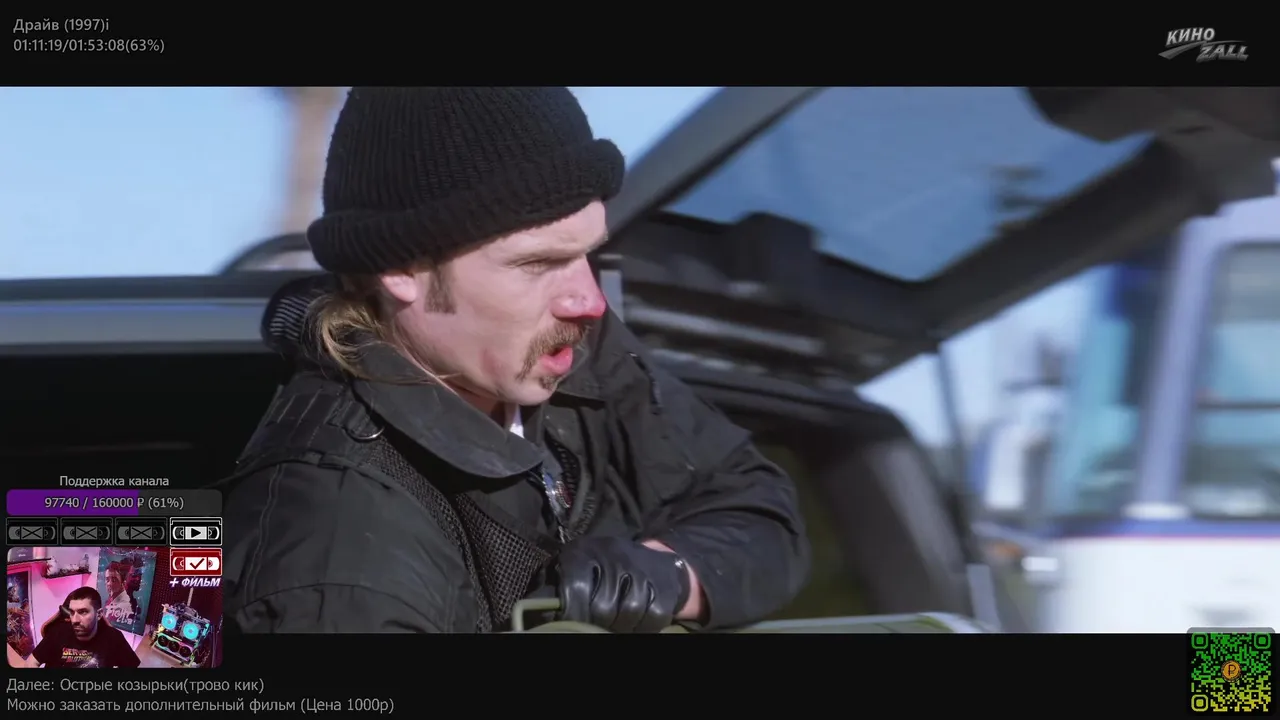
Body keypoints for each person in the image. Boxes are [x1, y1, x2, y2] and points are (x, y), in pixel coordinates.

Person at [221, 87, 811, 634]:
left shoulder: (567, 351)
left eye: (586, 254)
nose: (588, 301)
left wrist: (668, 573)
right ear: (400, 268)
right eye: (537, 264)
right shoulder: (338, 555)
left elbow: (758, 509)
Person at [12, 587, 140, 668]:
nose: (75, 620)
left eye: (83, 612)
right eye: (72, 612)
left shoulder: (114, 637)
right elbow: (32, 662)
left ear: (99, 614)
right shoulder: (58, 632)